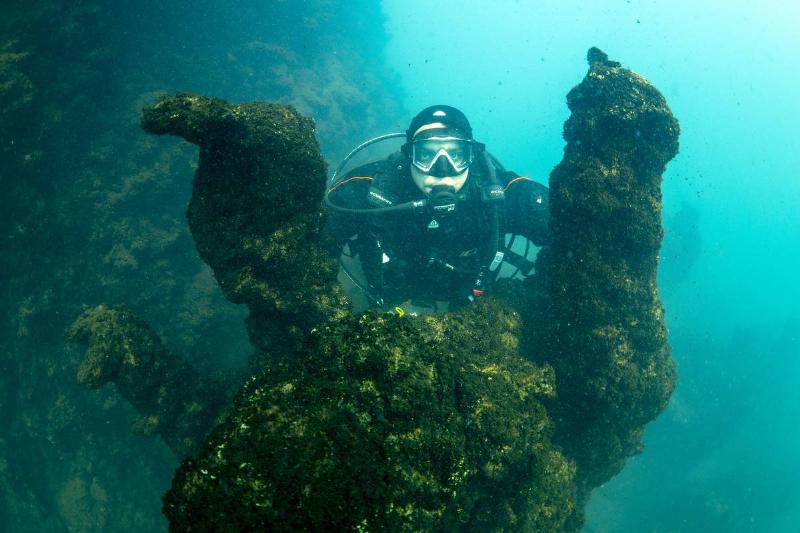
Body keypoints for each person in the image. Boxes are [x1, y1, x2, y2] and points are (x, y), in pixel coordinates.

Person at [324, 105, 551, 314]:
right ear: (409, 154)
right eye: (426, 154)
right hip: (387, 294)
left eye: (455, 154)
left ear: (471, 155)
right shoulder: (367, 190)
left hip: (471, 303)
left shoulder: (501, 194)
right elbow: (312, 240)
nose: (442, 169)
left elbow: (568, 226)